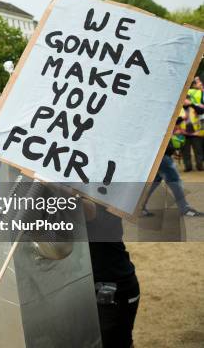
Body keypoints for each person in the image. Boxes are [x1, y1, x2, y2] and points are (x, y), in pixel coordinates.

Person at [84, 200, 139, 348]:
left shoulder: (106, 202)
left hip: (116, 289)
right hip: (93, 286)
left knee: (119, 343)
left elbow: (89, 211)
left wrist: (54, 184)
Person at [142, 142, 202, 217]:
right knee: (175, 181)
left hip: (152, 155)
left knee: (153, 182)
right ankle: (185, 209)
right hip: (161, 155)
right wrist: (171, 149)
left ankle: (140, 208)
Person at [178, 80, 204, 171]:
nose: (185, 101)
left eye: (187, 99)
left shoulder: (195, 106)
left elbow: (201, 111)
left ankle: (200, 166)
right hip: (183, 133)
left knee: (198, 151)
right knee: (185, 152)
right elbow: (176, 121)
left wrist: (192, 104)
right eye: (183, 99)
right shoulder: (178, 109)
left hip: (196, 133)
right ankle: (188, 167)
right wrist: (182, 118)